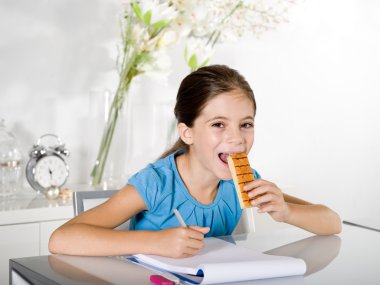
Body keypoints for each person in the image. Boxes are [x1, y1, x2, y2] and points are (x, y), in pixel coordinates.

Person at [49, 65, 341, 258]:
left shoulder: (245, 181)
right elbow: (62, 239)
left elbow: (332, 222)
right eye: (218, 124)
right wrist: (155, 242)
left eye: (246, 124)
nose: (237, 138)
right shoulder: (156, 183)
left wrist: (287, 211)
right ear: (187, 132)